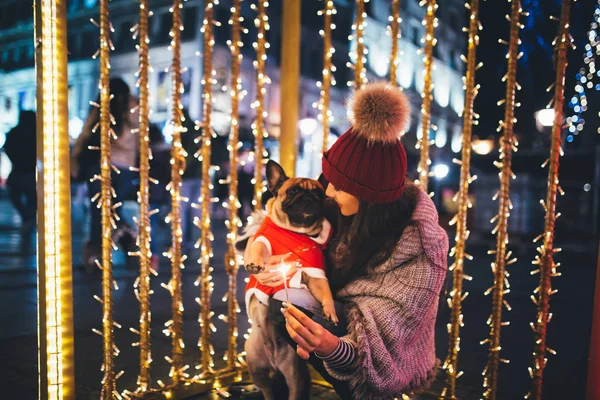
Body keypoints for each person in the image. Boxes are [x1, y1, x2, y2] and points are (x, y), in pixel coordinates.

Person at [243, 82, 449, 399]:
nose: (328, 192)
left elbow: (387, 344)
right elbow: (279, 228)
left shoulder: (421, 250)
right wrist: (266, 255)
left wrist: (331, 347)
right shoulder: (339, 209)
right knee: (280, 306)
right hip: (338, 316)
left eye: (337, 186)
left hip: (378, 358)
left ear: (367, 196)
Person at [71, 78, 140, 272]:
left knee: (99, 212)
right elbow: (140, 137)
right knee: (112, 210)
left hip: (102, 166)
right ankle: (129, 243)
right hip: (125, 168)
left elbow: (86, 132)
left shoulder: (103, 105)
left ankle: (96, 257)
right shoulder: (134, 108)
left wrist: (75, 157)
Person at [3, 110, 37, 254]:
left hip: (19, 170)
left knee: (16, 195)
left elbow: (7, 147)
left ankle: (27, 218)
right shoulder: (36, 134)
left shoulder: (15, 133)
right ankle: (28, 218)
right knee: (32, 199)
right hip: (30, 172)